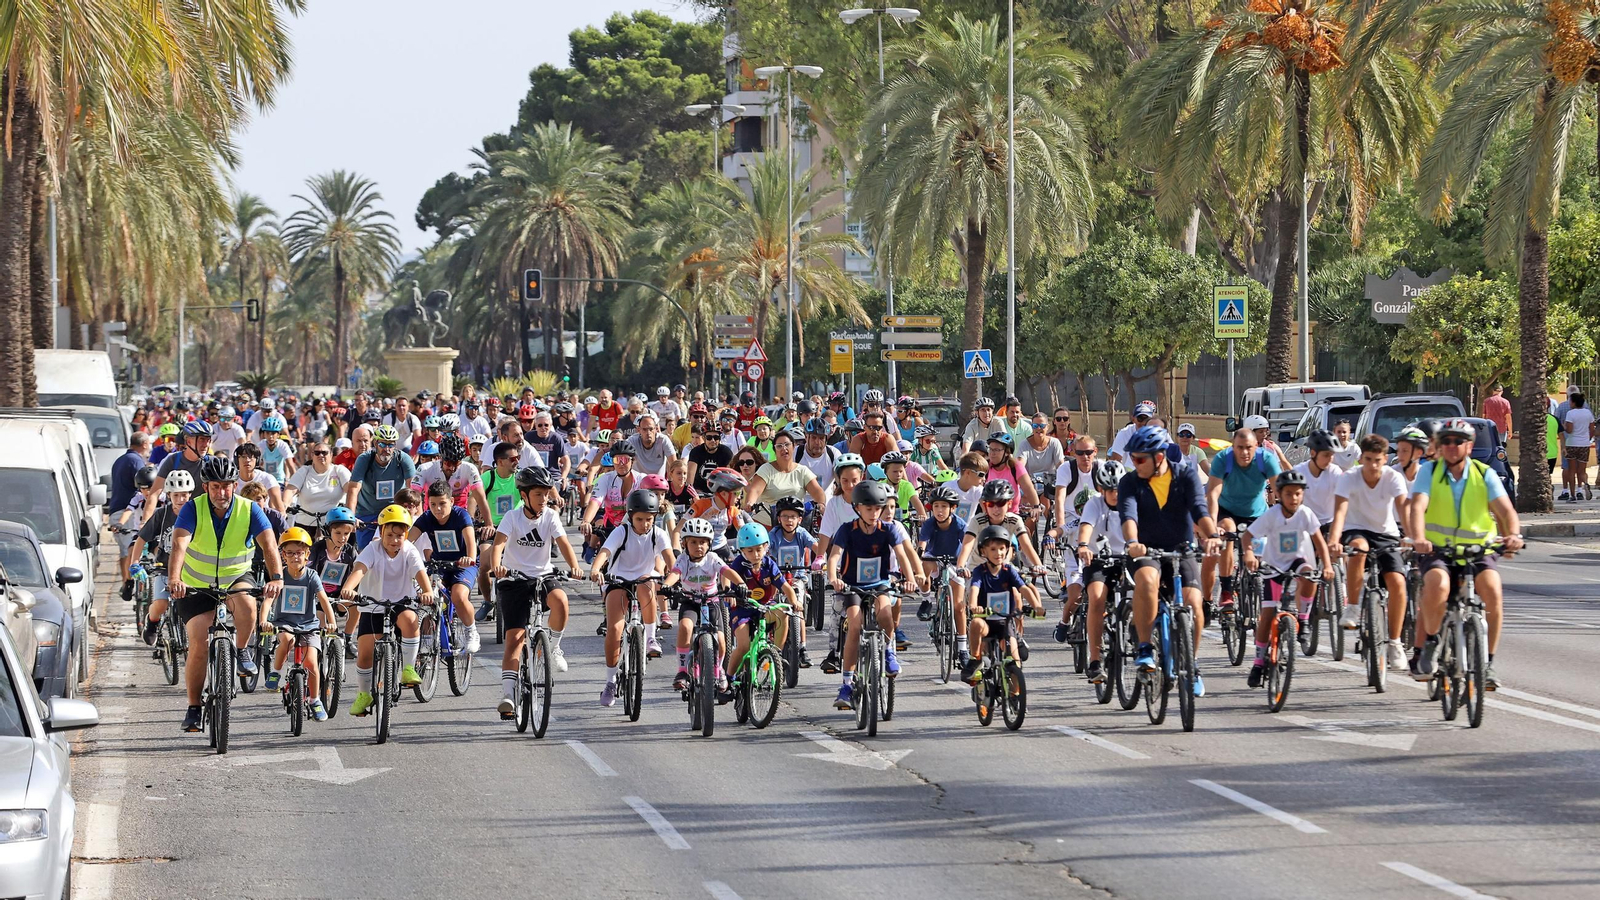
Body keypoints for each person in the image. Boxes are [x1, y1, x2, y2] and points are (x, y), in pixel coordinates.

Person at [166, 455, 286, 732]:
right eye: (215, 487)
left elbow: (269, 545)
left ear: (234, 485)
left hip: (235, 577)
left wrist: (277, 578)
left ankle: (242, 650)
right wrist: (174, 579)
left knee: (247, 605)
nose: (221, 493)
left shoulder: (249, 509)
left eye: (227, 486)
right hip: (195, 583)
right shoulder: (193, 508)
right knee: (198, 645)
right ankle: (194, 708)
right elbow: (179, 544)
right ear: (206, 487)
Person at [1406, 418, 1523, 689]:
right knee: (1437, 585)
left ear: (1469, 446)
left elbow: (1506, 510)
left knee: (1492, 591)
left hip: (1478, 549)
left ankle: (1487, 663)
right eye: (1446, 441)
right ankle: (1432, 642)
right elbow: (1417, 507)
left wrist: (1513, 536)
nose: (1451, 446)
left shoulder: (1484, 473)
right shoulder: (1429, 472)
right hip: (1438, 549)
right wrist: (1419, 538)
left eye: (1458, 441)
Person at [1117, 425, 1217, 697]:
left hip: (1181, 548)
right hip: (1145, 550)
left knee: (1194, 602)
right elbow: (1128, 515)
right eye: (1132, 458)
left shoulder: (1185, 475)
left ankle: (1192, 665)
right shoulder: (1129, 482)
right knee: (1148, 581)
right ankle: (1145, 647)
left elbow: (1199, 509)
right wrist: (1132, 542)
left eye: (1140, 459)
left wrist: (1212, 536)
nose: (1134, 463)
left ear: (1159, 457)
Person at [486, 466, 583, 717]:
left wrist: (574, 567)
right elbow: (498, 545)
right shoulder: (512, 517)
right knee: (515, 639)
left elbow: (563, 543)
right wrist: (497, 566)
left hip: (543, 576)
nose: (544, 499)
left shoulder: (550, 516)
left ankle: (554, 647)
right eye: (538, 494)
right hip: (514, 579)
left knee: (561, 600)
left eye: (546, 493)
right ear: (524, 495)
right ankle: (508, 695)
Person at [824, 480, 926, 710]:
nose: (874, 513)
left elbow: (902, 555)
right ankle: (847, 685)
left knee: (885, 614)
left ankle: (889, 651)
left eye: (878, 509)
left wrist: (910, 579)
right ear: (857, 508)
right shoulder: (847, 529)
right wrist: (833, 578)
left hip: (879, 583)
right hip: (852, 586)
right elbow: (834, 556)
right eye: (868, 509)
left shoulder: (888, 529)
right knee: (854, 625)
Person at [1240, 469, 1334, 687]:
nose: (1294, 498)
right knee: (1267, 615)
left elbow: (1319, 543)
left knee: (1309, 574)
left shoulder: (1306, 514)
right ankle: (1258, 662)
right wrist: (1249, 554)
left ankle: (1303, 619)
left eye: (1298, 494)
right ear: (1279, 495)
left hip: (1297, 561)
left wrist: (1328, 565)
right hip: (1274, 567)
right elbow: (1248, 536)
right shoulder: (1272, 515)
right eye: (1289, 494)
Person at [339, 504, 436, 715]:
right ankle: (364, 694)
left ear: (406, 535)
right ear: (381, 532)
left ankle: (408, 668)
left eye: (400, 535)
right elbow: (359, 570)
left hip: (402, 602)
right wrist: (348, 588)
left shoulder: (409, 550)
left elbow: (419, 572)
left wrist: (427, 591)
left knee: (410, 620)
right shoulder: (372, 549)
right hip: (373, 604)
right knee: (365, 653)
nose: (394, 540)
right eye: (390, 535)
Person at [589, 490, 675, 706]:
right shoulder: (622, 531)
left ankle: (650, 638)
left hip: (644, 579)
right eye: (639, 519)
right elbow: (605, 552)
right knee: (615, 629)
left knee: (647, 582)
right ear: (630, 516)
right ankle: (610, 682)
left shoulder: (658, 534)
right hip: (618, 580)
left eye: (649, 519)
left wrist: (675, 578)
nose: (645, 524)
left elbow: (670, 559)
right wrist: (596, 569)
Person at [262, 526, 337, 721]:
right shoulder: (280, 577)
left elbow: (323, 600)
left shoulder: (311, 576)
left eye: (299, 553)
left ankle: (314, 700)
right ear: (283, 555)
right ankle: (276, 673)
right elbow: (268, 600)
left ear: (307, 555)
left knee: (311, 662)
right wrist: (264, 621)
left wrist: (331, 622)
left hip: (309, 625)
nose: (295, 557)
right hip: (284, 623)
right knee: (287, 640)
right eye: (290, 553)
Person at [1204, 428, 1282, 611]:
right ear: (1233, 447)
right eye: (1239, 448)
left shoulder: (1266, 459)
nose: (1244, 452)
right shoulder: (1223, 459)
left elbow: (1281, 491)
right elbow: (1213, 494)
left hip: (1256, 513)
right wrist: (1213, 529)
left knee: (1261, 554)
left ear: (1256, 446)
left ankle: (1262, 588)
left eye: (1249, 447)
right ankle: (1226, 590)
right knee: (1228, 532)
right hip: (1227, 509)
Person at [664, 518, 742, 692]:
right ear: (684, 543)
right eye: (693, 542)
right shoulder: (683, 559)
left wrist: (741, 584)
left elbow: (727, 571)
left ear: (709, 544)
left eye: (703, 542)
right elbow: (675, 573)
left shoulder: (712, 558)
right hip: (690, 602)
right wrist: (667, 585)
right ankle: (682, 671)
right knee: (685, 627)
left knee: (721, 640)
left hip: (711, 602)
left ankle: (718, 670)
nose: (698, 546)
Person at [726, 522, 798, 697]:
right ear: (742, 550)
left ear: (766, 547)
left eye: (759, 549)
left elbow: (785, 587)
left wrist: (795, 602)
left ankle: (776, 654)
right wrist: (728, 592)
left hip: (763, 607)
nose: (755, 554)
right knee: (743, 645)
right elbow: (726, 575)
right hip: (742, 609)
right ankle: (727, 679)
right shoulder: (739, 564)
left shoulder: (769, 564)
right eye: (750, 551)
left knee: (783, 612)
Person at [412, 479, 483, 654]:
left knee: (459, 596)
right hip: (439, 565)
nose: (437, 509)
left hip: (463, 565)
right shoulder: (427, 518)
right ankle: (427, 639)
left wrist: (470, 558)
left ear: (451, 501)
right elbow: (408, 540)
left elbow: (471, 542)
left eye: (442, 504)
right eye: (433, 504)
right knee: (426, 597)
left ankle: (471, 631)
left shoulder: (461, 516)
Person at [958, 524, 1030, 689]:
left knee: (1015, 661)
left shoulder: (1008, 570)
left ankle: (1015, 697)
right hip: (986, 622)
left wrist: (1037, 606)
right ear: (983, 551)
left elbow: (1023, 588)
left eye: (1002, 549)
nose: (998, 553)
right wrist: (974, 605)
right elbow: (974, 588)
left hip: (1005, 623)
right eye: (993, 549)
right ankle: (975, 660)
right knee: (976, 623)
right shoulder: (980, 571)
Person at [135, 470, 193, 646]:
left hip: (191, 570)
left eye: (184, 495)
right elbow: (142, 538)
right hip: (164, 568)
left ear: (190, 494)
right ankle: (152, 623)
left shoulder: (197, 514)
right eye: (176, 495)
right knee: (161, 604)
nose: (180, 499)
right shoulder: (162, 514)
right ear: (168, 495)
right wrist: (135, 563)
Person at [342, 424, 419, 550]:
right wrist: (351, 516)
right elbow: (354, 489)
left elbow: (414, 491)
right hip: (368, 513)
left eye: (391, 445)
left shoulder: (403, 459)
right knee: (366, 552)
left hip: (394, 512)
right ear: (375, 443)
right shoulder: (364, 459)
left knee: (398, 550)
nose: (387, 449)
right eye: (383, 444)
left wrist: (417, 516)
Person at [744, 428, 828, 523]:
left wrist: (821, 504)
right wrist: (750, 503)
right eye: (779, 446)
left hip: (793, 524)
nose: (784, 448)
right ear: (774, 450)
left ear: (793, 447)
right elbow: (755, 490)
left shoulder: (802, 471)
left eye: (787, 444)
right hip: (766, 524)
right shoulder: (766, 469)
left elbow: (817, 491)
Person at [284, 438, 352, 536]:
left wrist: (352, 512)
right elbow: (290, 490)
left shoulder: (339, 470)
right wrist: (284, 505)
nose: (321, 455)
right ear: (312, 455)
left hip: (333, 523)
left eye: (324, 453)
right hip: (304, 523)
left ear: (331, 455)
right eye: (317, 453)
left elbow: (351, 491)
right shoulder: (304, 471)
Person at [149, 420, 215, 517]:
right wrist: (144, 521)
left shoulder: (212, 463)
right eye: (202, 439)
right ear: (188, 441)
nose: (206, 445)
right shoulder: (173, 460)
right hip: (176, 517)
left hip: (202, 517)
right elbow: (154, 494)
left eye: (208, 440)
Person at [1563, 391, 1595, 501]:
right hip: (1584, 444)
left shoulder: (1570, 414)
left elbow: (1570, 430)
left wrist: (1564, 426)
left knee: (1571, 470)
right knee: (1582, 470)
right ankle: (1584, 483)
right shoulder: (1588, 413)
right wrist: (1587, 439)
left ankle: (1573, 495)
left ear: (1573, 402)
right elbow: (1592, 429)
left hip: (1572, 443)